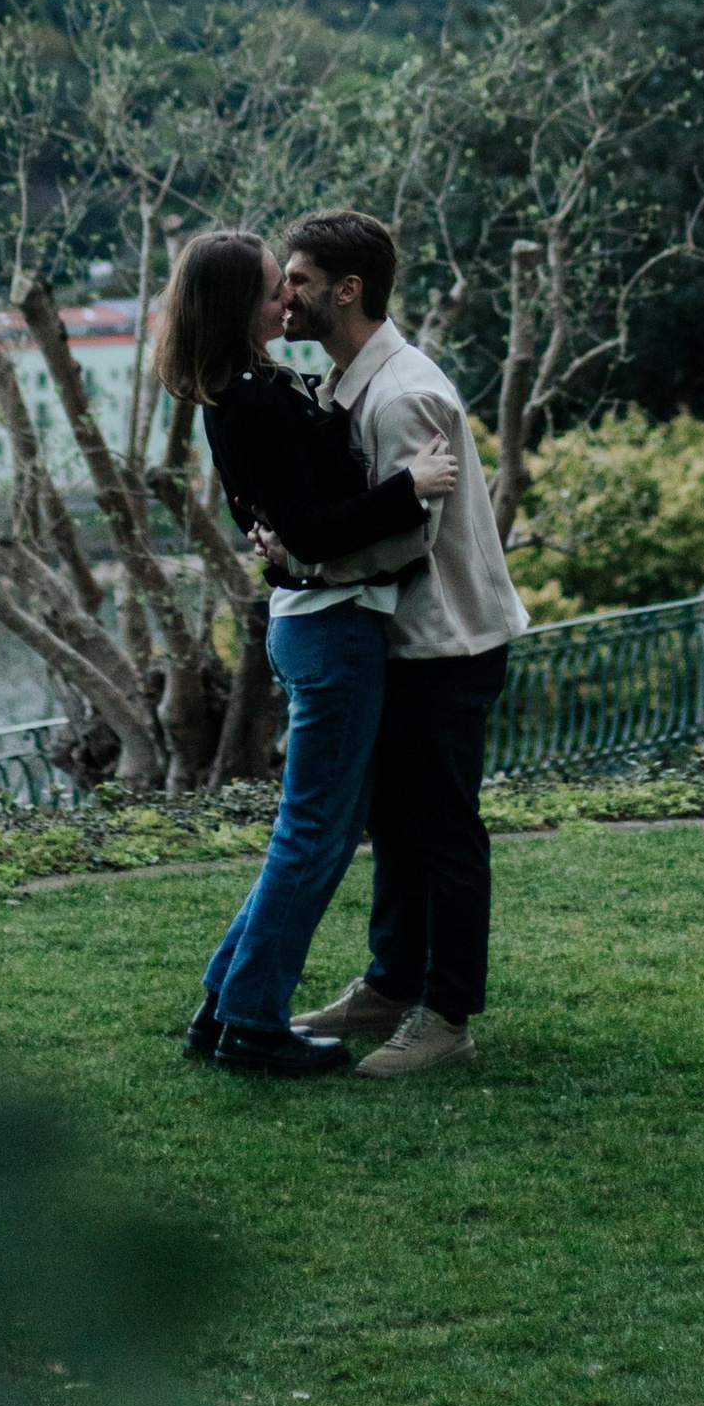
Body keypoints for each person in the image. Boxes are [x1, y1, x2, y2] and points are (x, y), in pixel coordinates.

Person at [152, 227, 459, 1080]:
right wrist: (410, 489)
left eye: (287, 285)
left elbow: (284, 519)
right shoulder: (250, 397)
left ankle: (225, 1005)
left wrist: (284, 533)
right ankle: (250, 1020)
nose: (287, 297)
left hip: (316, 618)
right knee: (314, 837)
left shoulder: (249, 384)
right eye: (270, 288)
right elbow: (313, 529)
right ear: (237, 307)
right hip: (331, 627)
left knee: (309, 831)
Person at [272, 210, 529, 1081]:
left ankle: (447, 1015)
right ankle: (390, 986)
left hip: (445, 646)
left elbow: (402, 540)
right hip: (405, 643)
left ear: (347, 290)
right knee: (399, 826)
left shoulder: (405, 393)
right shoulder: (358, 381)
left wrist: (295, 551)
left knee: (443, 832)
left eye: (298, 278)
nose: (284, 294)